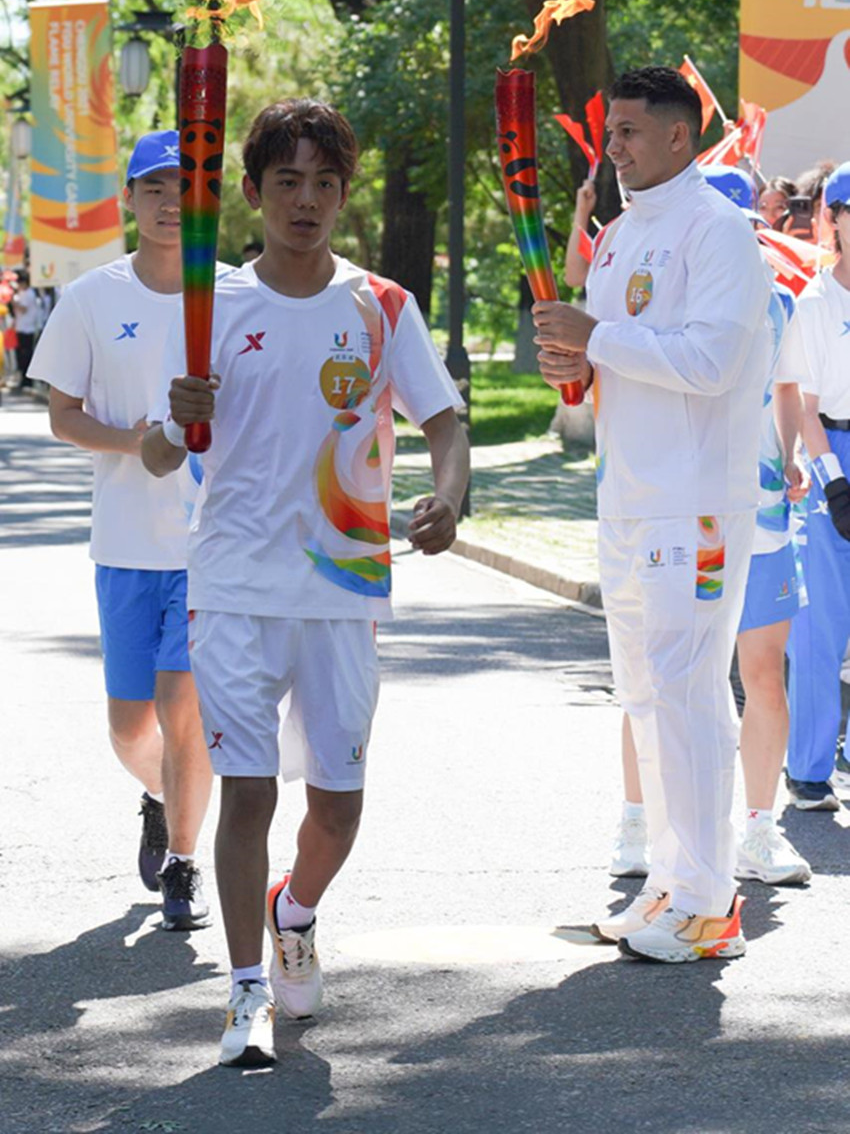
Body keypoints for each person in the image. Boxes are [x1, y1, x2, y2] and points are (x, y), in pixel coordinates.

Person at [142, 98, 469, 1068]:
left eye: (324, 182)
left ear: (342, 193)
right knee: (246, 793)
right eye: (287, 180)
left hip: (341, 587)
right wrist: (175, 420)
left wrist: (448, 497)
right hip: (234, 585)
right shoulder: (209, 307)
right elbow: (160, 453)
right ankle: (246, 989)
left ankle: (296, 908)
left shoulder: (382, 308)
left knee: (338, 808)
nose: (306, 200)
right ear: (252, 191)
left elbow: (444, 421)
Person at [534, 67, 770, 963]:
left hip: (696, 503)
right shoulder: (620, 235)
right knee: (645, 695)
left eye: (630, 132)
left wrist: (595, 338)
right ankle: (671, 883)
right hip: (627, 498)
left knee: (688, 689)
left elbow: (710, 362)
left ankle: (712, 904)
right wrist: (574, 362)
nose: (615, 148)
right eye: (612, 133)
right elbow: (606, 359)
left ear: (680, 135)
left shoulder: (719, 233)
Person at [29, 130, 227, 929]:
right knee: (129, 728)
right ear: (130, 199)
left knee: (184, 710)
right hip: (124, 544)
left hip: (210, 547)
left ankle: (184, 862)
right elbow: (62, 414)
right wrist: (133, 442)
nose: (172, 202)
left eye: (187, 187)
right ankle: (159, 794)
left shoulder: (234, 294)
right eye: (156, 188)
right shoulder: (91, 298)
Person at [607, 165, 812, 886]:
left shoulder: (778, 299)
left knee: (762, 671)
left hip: (761, 511)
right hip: (683, 507)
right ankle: (639, 821)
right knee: (662, 674)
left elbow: (784, 386)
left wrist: (790, 457)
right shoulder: (655, 294)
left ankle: (758, 828)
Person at [787, 161, 850, 809]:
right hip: (833, 448)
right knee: (820, 628)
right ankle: (808, 768)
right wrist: (834, 483)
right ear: (834, 220)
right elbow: (805, 406)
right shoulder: (815, 303)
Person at [11, 270, 38, 389]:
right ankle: (23, 378)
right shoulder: (21, 293)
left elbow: (23, 309)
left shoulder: (29, 294)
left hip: (28, 328)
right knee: (21, 355)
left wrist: (14, 303)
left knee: (26, 354)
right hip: (21, 327)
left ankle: (27, 380)